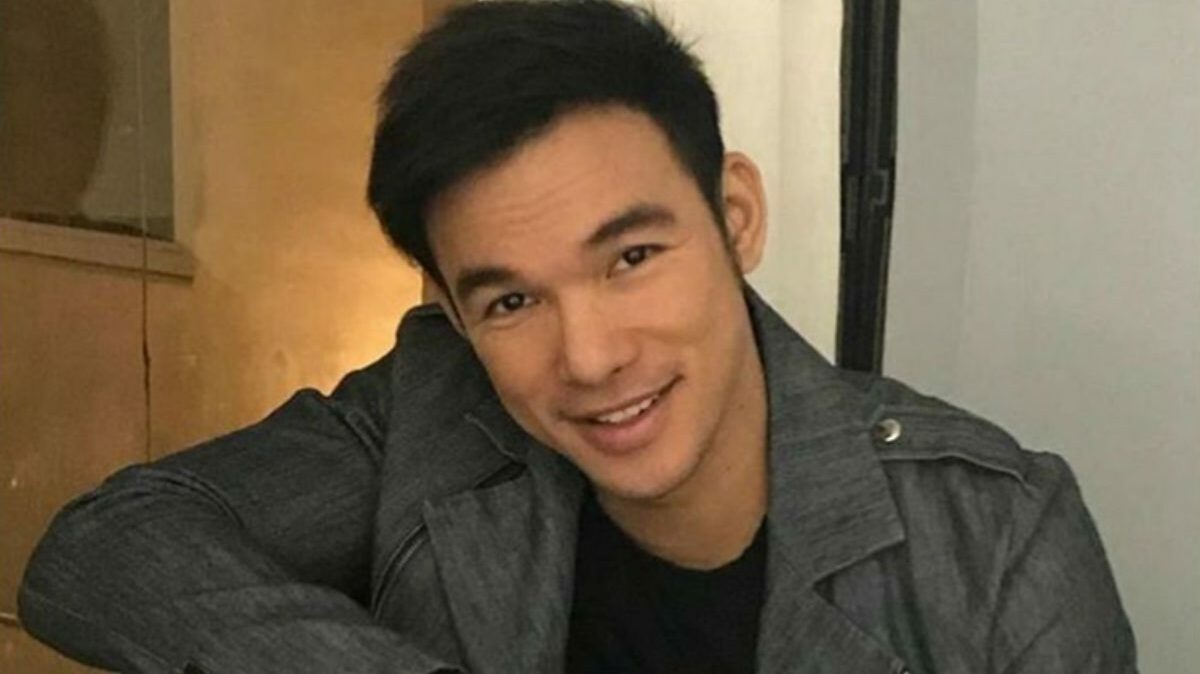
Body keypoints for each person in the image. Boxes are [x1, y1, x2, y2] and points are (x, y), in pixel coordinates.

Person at [19, 1, 1137, 672]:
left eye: (631, 257)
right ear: (455, 314)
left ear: (735, 215)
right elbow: (106, 548)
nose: (592, 356)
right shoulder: (428, 414)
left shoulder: (996, 537)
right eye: (511, 302)